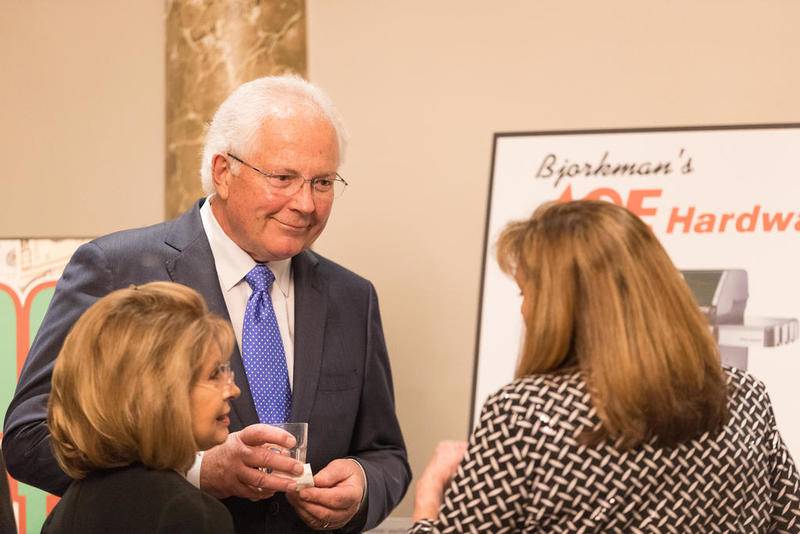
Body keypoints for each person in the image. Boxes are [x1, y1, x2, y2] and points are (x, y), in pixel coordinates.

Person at [3, 75, 410, 533]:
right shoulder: (117, 269)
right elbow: (29, 437)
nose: (306, 204)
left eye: (322, 182)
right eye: (283, 178)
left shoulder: (352, 297)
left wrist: (363, 485)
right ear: (223, 172)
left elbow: (386, 453)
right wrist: (194, 471)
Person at [410, 200, 800, 532]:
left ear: (557, 308)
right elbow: (790, 518)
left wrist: (429, 497)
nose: (524, 309)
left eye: (525, 292)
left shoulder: (522, 416)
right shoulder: (745, 397)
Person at [41, 281, 251, 533]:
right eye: (214, 374)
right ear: (157, 392)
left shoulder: (70, 507)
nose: (233, 390)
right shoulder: (187, 515)